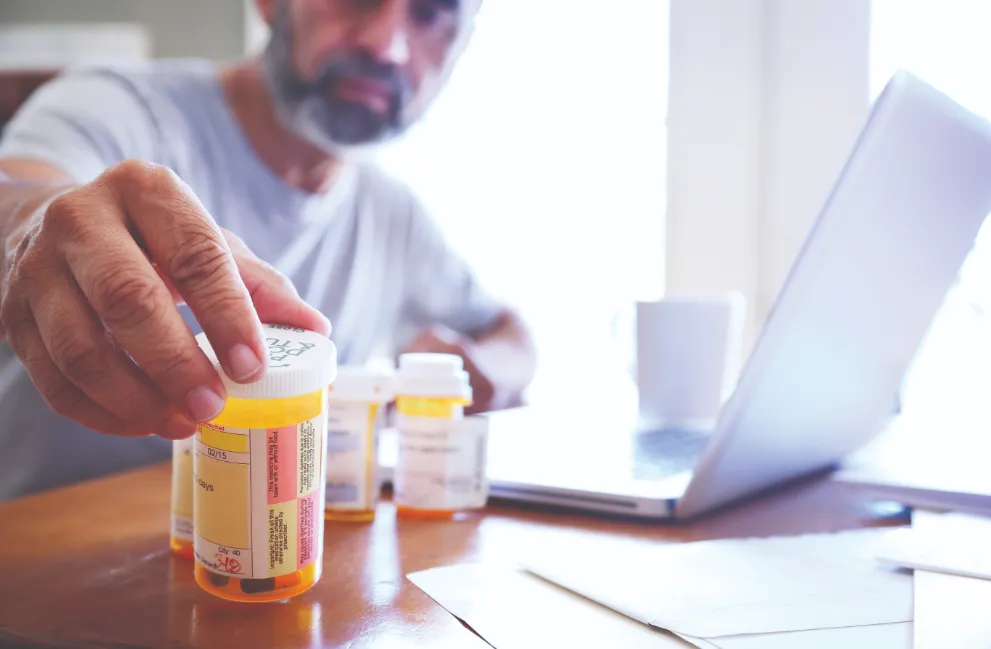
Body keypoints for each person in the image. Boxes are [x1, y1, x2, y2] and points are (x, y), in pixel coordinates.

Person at [0, 0, 536, 500]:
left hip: (268, 563)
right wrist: (33, 226)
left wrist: (477, 371)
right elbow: (19, 192)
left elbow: (511, 335)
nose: (386, 45)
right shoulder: (116, 105)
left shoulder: (394, 215)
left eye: (432, 15)